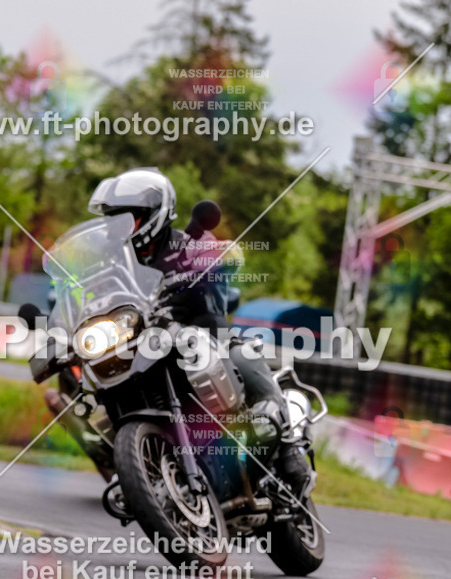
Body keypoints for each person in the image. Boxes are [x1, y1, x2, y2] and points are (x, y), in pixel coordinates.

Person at [86, 167, 311, 491]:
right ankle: (142, 463)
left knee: (244, 357)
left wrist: (216, 260)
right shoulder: (112, 264)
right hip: (146, 345)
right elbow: (89, 298)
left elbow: (228, 254)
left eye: (124, 220)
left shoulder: (186, 243)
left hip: (202, 331)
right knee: (104, 396)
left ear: (151, 216)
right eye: (112, 222)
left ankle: (289, 448)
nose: (115, 230)